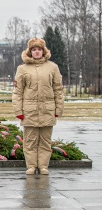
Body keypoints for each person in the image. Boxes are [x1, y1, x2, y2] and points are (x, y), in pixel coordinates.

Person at [12, 37, 64, 175]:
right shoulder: (22, 68)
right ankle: (31, 166)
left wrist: (58, 108)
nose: (36, 52)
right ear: (30, 52)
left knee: (45, 141)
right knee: (30, 141)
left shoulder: (52, 67)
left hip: (47, 109)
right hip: (29, 111)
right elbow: (18, 92)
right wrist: (18, 110)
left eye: (39, 49)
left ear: (43, 51)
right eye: (34, 49)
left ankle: (43, 166)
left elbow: (58, 89)